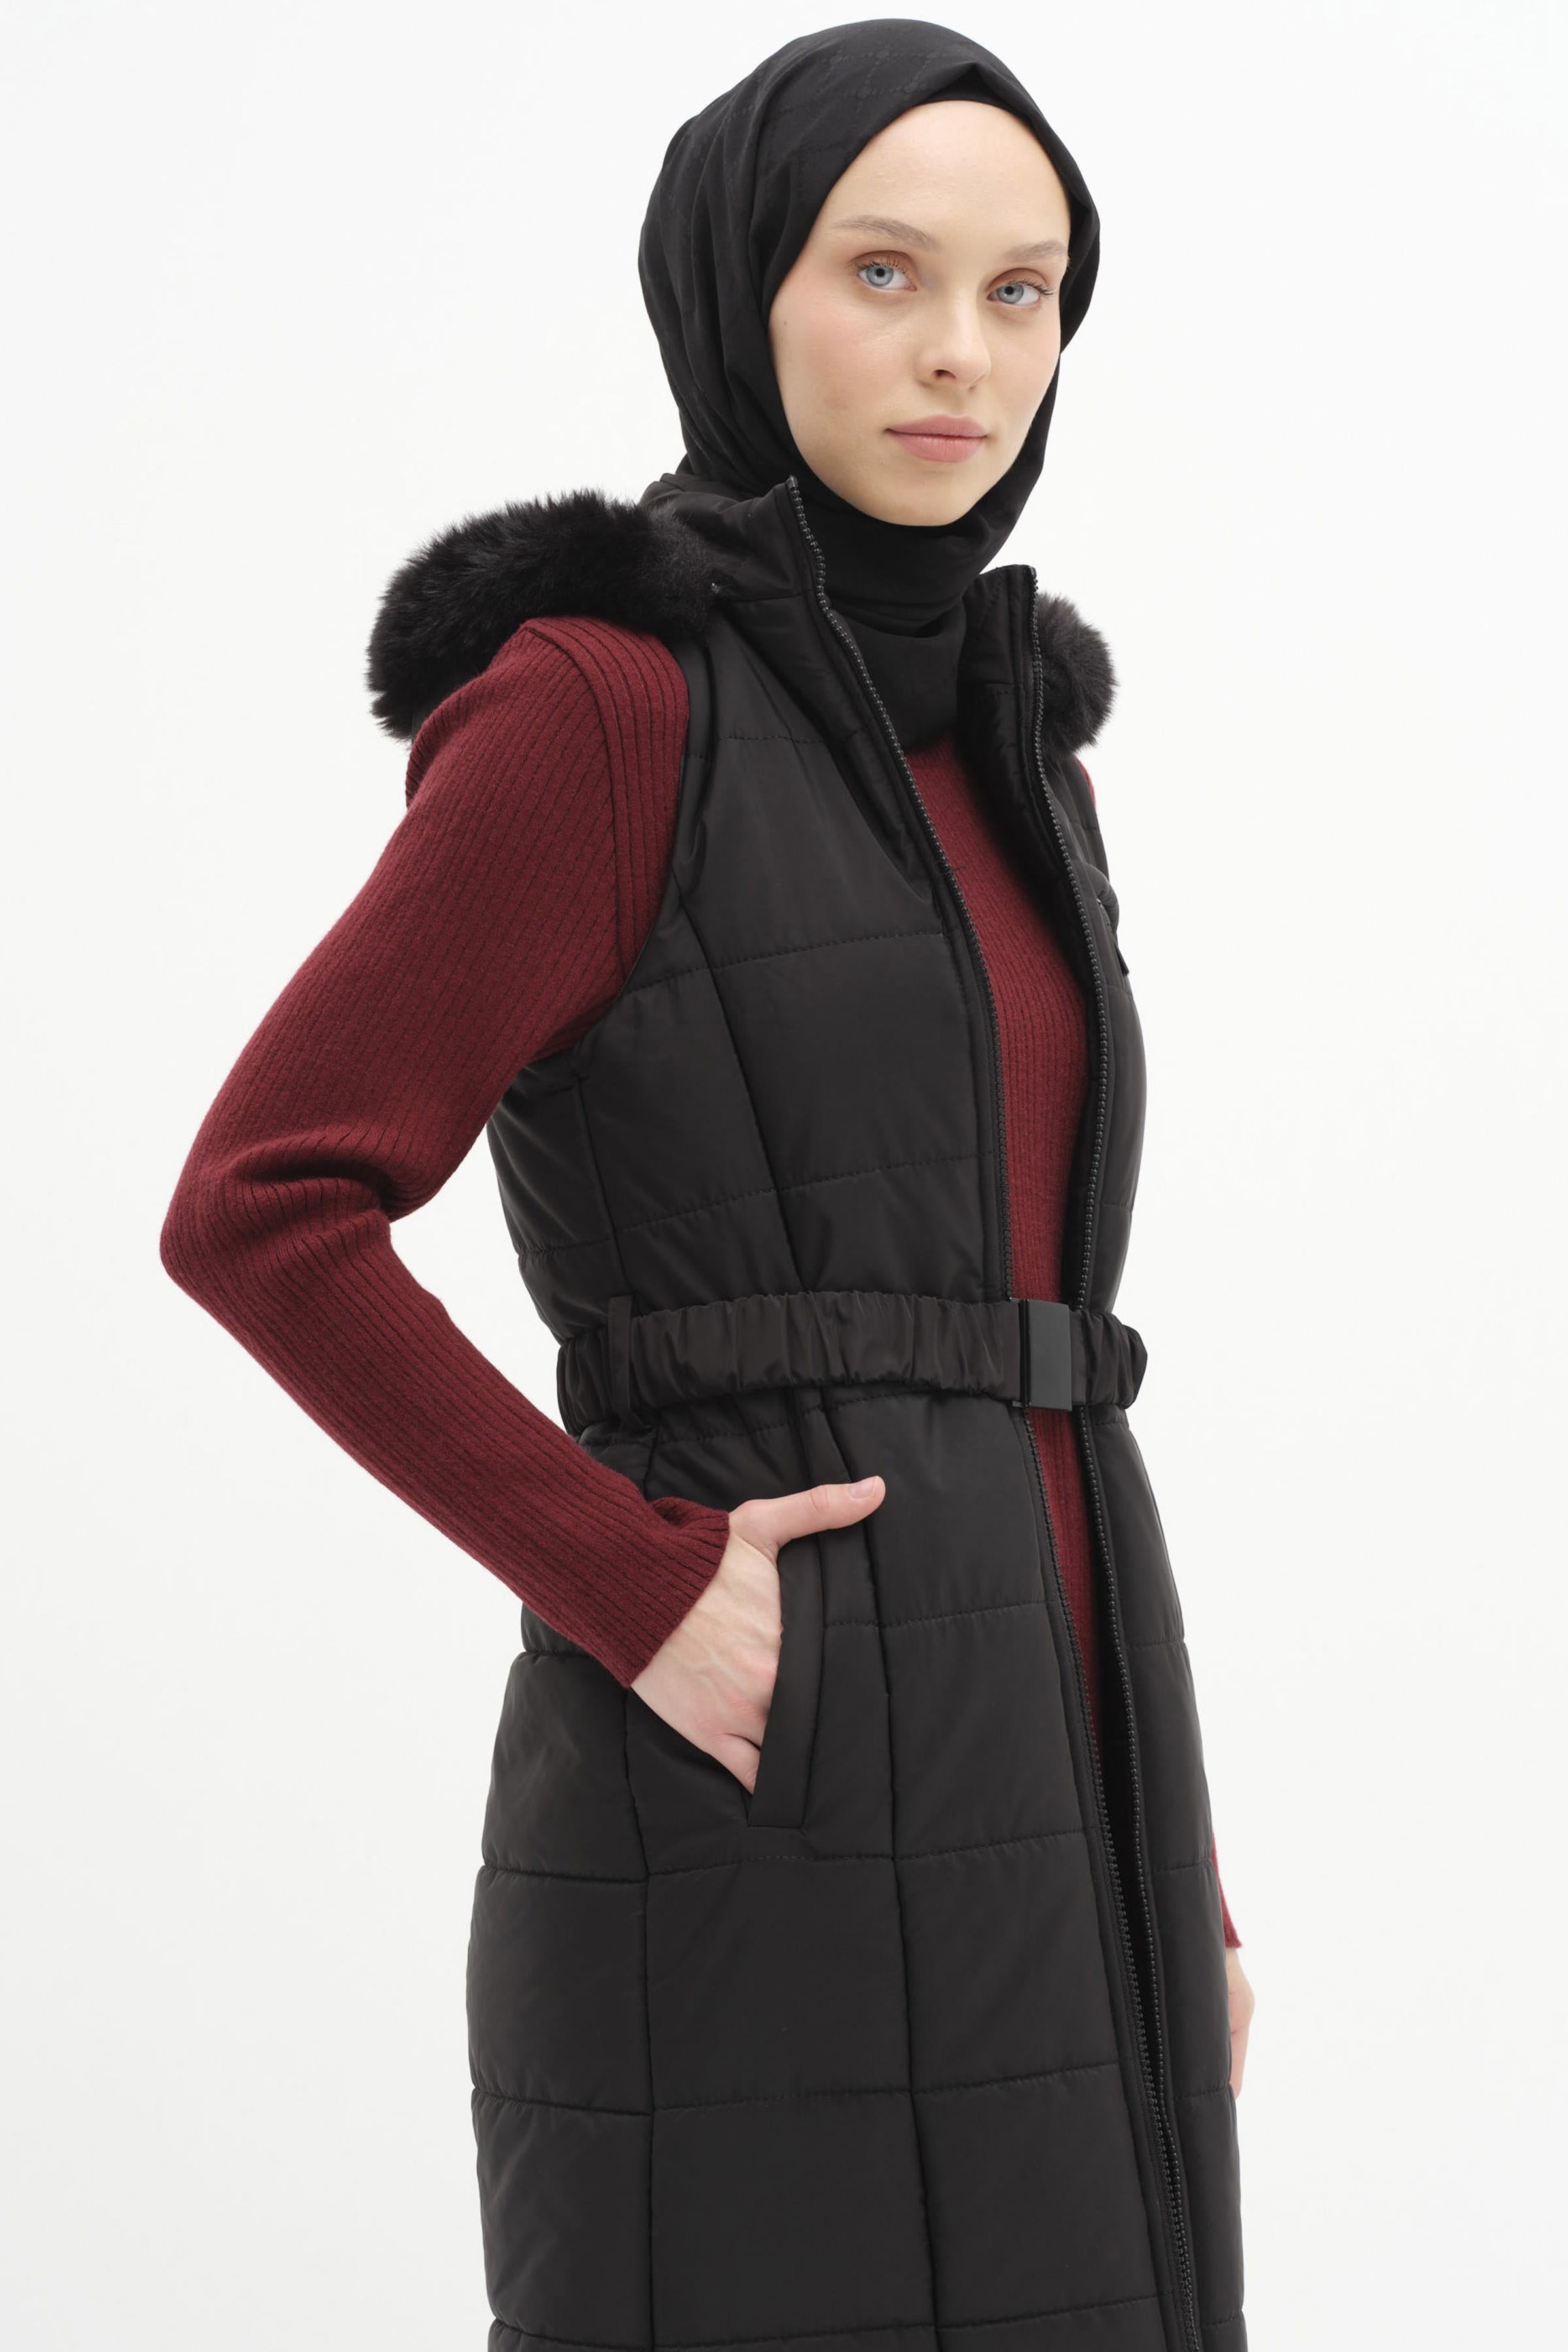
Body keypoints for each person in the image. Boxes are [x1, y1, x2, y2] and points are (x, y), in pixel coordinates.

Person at [162, 20, 1252, 2349]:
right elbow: (262, 1206)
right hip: (757, 1788)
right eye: (884, 272)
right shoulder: (601, 706)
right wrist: (635, 1583)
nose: (963, 354)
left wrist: (1173, 1863)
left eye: (1024, 292)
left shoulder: (1019, 743)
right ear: (738, 292)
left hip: (1069, 1767)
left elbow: (1022, 1339)